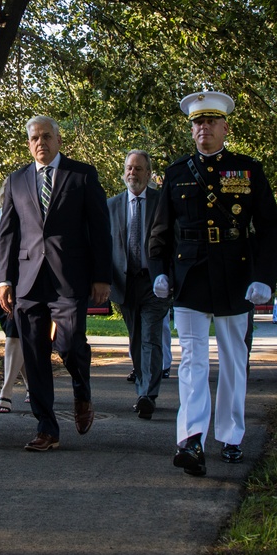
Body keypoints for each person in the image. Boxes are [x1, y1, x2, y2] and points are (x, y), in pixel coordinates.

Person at [148, 91, 277, 476]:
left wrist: (263, 278)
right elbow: (160, 233)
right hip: (189, 278)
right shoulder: (175, 174)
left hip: (235, 276)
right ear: (191, 130)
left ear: (225, 127)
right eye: (197, 123)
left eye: (210, 122)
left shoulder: (247, 170)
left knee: (234, 360)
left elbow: (269, 227)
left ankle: (232, 435)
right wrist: (159, 270)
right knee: (192, 361)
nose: (203, 128)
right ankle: (191, 440)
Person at [0, 115, 111, 451]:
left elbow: (100, 229)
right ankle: (46, 427)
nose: (41, 143)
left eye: (47, 137)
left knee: (69, 343)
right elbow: (7, 234)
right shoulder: (16, 180)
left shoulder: (82, 175)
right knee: (34, 353)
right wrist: (5, 279)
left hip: (70, 278)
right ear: (28, 143)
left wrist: (102, 276)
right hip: (28, 281)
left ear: (59, 140)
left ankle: (81, 389)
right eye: (34, 138)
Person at [108, 150, 169, 419]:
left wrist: (168, 277)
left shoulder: (161, 202)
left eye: (138, 169)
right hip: (126, 282)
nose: (132, 173)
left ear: (148, 173)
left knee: (150, 337)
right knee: (135, 339)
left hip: (154, 283)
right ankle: (143, 387)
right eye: (129, 168)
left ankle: (147, 395)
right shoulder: (112, 206)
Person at [0, 185, 29, 414]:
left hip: (24, 285)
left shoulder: (29, 217)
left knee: (15, 334)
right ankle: (33, 385)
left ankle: (6, 392)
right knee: (15, 335)